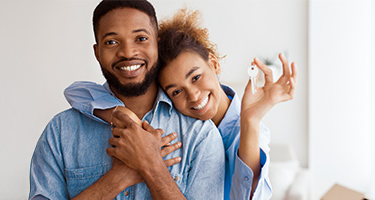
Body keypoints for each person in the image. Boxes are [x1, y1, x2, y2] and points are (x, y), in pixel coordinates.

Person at [65, 9, 297, 200]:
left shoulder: (245, 131)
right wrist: (122, 114)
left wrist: (251, 120)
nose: (194, 96)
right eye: (176, 90)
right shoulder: (174, 118)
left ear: (214, 63)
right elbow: (76, 92)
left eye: (196, 77)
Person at [29, 1, 225, 199]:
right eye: (112, 42)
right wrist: (118, 178)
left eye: (140, 38)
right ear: (97, 53)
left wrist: (151, 165)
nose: (128, 53)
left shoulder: (200, 135)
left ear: (156, 44)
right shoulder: (61, 132)